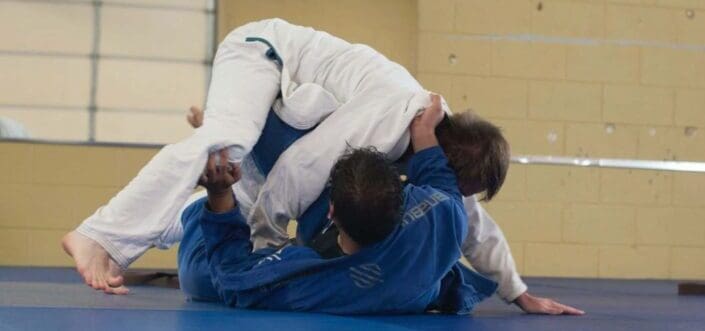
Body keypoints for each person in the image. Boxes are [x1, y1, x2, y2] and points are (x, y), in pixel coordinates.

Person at [62, 18, 582, 315]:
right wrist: (265, 249)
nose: (451, 192)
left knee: (234, 181)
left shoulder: (433, 154)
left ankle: (199, 200)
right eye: (456, 182)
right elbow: (297, 169)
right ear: (443, 157)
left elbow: (471, 221)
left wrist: (518, 292)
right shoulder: (388, 119)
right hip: (260, 54)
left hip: (293, 108)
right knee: (229, 142)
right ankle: (100, 236)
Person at [176, 99, 497, 313]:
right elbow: (440, 178)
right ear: (402, 202)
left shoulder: (305, 281)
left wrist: (219, 196)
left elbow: (231, 278)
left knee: (199, 279)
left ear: (331, 212)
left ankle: (206, 203)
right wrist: (426, 133)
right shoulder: (445, 217)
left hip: (224, 228)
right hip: (396, 282)